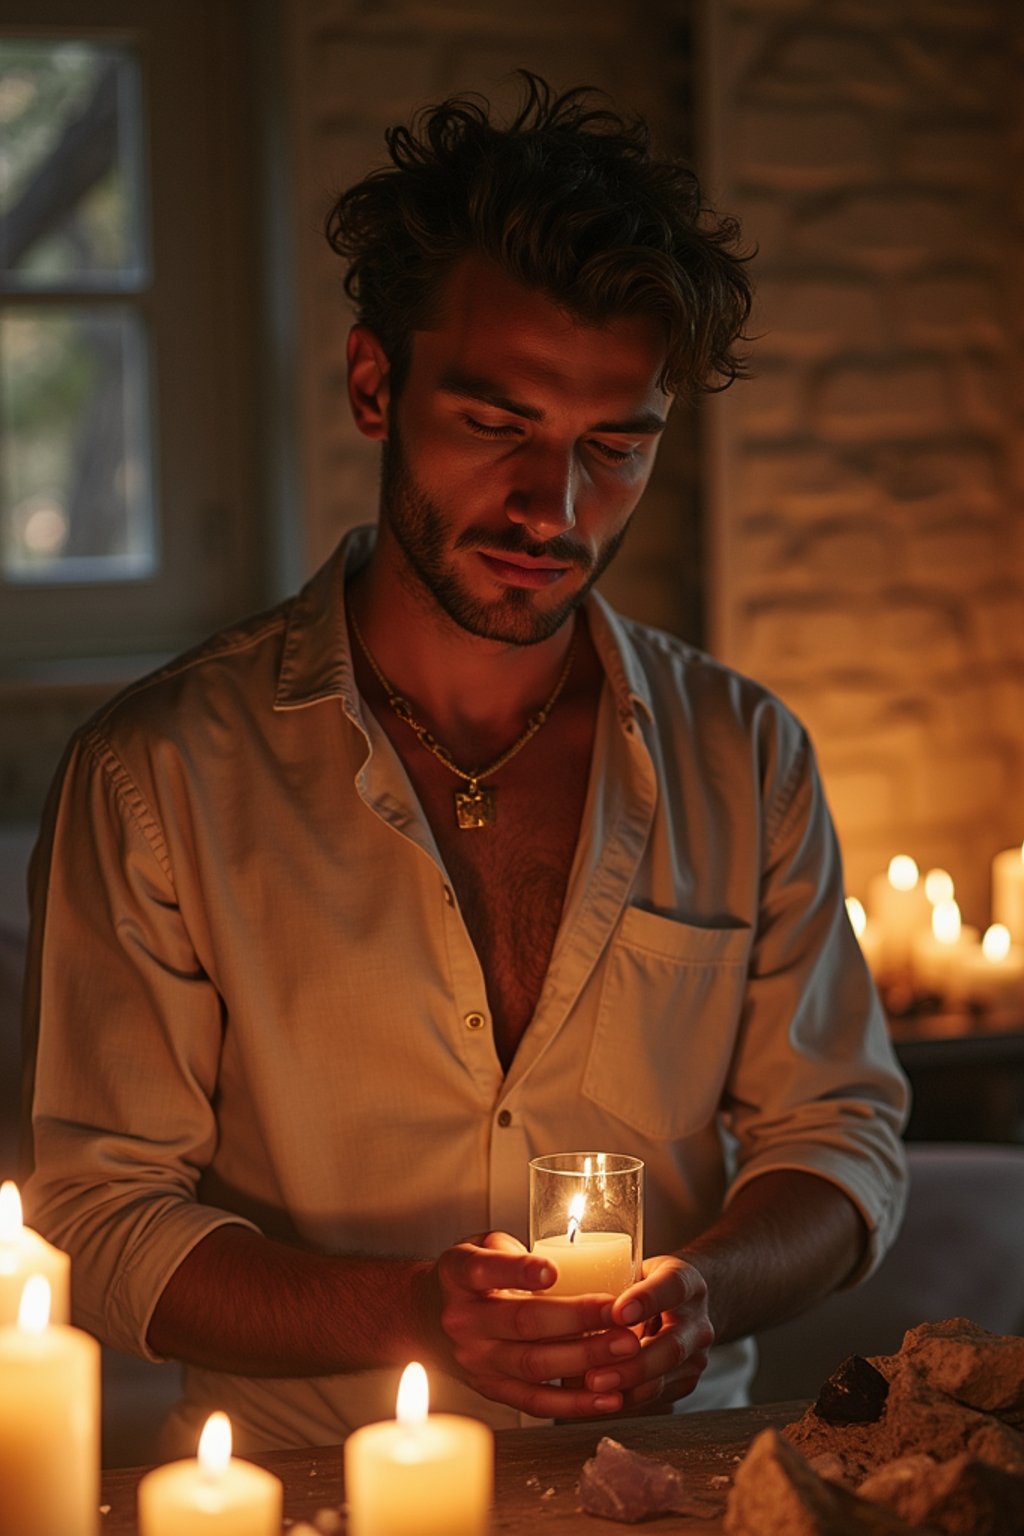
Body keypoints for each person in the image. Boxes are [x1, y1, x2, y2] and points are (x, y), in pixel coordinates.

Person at [22, 73, 908, 1454]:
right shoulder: (163, 778)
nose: (554, 508)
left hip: (673, 1481)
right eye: (498, 426)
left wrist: (708, 1294)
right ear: (377, 383)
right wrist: (413, 1316)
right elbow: (104, 1215)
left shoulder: (747, 758)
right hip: (316, 1483)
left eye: (614, 447)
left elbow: (842, 1140)